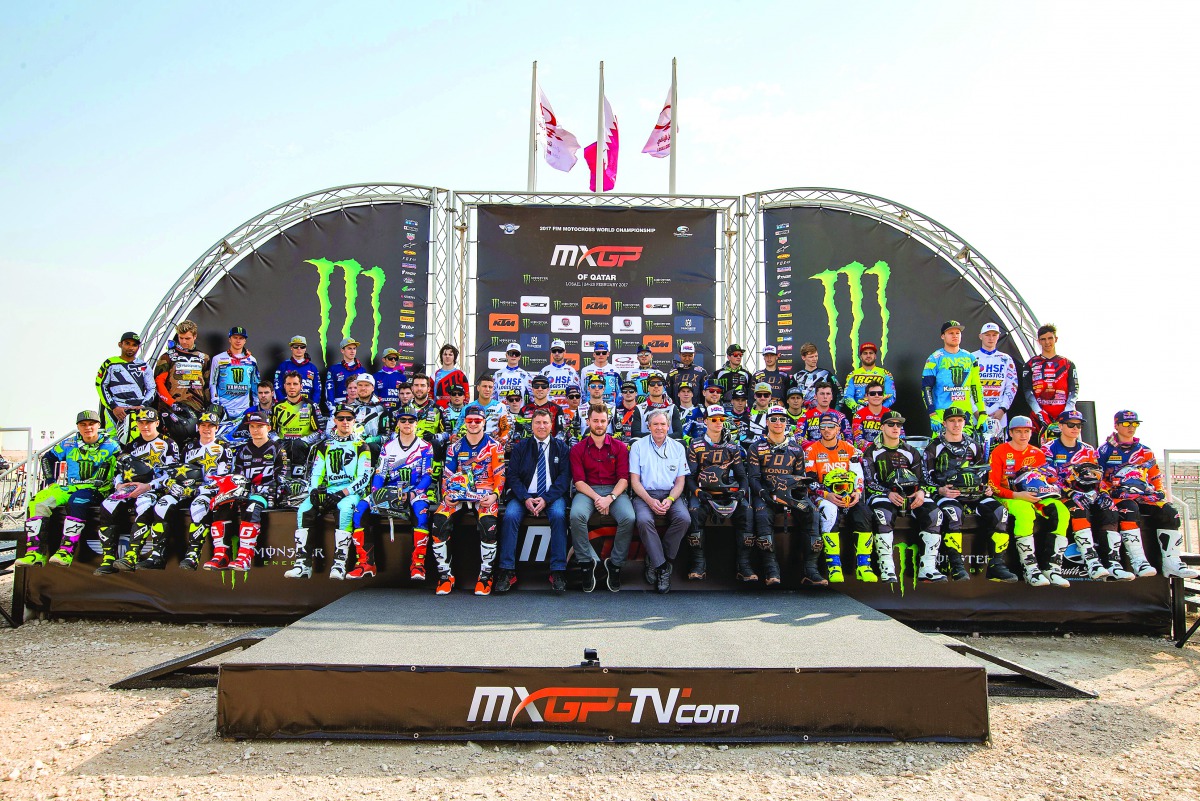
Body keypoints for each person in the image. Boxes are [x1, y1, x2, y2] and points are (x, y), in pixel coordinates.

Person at [1097, 410, 1199, 578]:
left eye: (1135, 424)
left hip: (1144, 495)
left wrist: (1159, 492)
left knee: (1170, 512)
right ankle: (1139, 562)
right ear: (1116, 425)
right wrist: (1106, 494)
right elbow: (1097, 477)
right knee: (1129, 509)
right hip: (1118, 497)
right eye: (1126, 423)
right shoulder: (1104, 450)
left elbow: (1155, 476)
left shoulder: (1145, 451)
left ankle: (1172, 563)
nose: (1131, 427)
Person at [17, 411, 120, 568]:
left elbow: (123, 465)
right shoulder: (69, 443)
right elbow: (47, 458)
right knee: (38, 501)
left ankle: (66, 552)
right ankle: (35, 553)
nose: (88, 428)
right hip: (71, 487)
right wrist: (51, 482)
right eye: (83, 425)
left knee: (77, 500)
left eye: (91, 424)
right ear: (78, 427)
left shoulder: (111, 445)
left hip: (98, 489)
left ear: (98, 425)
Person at [925, 408, 1017, 582]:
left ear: (965, 422)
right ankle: (957, 566)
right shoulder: (934, 446)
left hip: (975, 494)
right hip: (949, 495)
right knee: (953, 514)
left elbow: (982, 472)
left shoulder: (974, 444)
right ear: (944, 423)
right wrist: (939, 490)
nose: (956, 424)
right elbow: (925, 477)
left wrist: (985, 488)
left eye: (960, 420)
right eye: (952, 421)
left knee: (1000, 513)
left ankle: (996, 565)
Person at [285, 404, 372, 580]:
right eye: (341, 418)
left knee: (345, 510)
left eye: (349, 418)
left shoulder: (362, 445)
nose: (345, 422)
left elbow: (364, 477)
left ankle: (339, 564)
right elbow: (316, 472)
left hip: (351, 492)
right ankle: (302, 564)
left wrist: (343, 493)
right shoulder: (325, 445)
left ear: (354, 421)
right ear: (335, 421)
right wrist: (314, 491)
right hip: (330, 489)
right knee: (304, 509)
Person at [430, 404, 506, 595]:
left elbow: (500, 475)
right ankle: (445, 577)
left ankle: (485, 578)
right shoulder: (454, 447)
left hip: (484, 494)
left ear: (484, 422)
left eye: (477, 421)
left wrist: (495, 495)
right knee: (439, 521)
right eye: (470, 420)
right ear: (464, 422)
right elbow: (447, 475)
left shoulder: (494, 446)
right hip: (458, 493)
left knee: (488, 525)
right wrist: (447, 494)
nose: (473, 424)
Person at [495, 407, 573, 593]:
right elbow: (512, 476)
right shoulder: (521, 447)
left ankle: (558, 571)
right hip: (523, 496)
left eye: (545, 422)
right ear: (532, 425)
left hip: (552, 496)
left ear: (551, 425)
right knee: (510, 516)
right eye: (538, 422)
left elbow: (564, 478)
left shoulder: (561, 447)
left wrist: (546, 498)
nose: (542, 426)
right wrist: (526, 498)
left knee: (559, 516)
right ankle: (507, 571)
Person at [988, 415, 1072, 587]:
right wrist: (1017, 495)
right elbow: (993, 486)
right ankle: (1030, 570)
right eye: (1018, 431)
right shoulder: (999, 452)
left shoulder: (1037, 453)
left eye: (1027, 431)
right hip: (1008, 496)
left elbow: (1045, 480)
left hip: (1035, 496)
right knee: (1025, 513)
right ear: (1011, 433)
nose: (1023, 435)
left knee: (1061, 512)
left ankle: (1052, 568)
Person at [95, 409, 180, 573]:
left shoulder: (169, 444)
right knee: (107, 505)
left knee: (144, 504)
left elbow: (172, 474)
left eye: (149, 422)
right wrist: (119, 486)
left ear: (157, 423)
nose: (145, 426)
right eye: (141, 422)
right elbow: (118, 471)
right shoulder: (131, 445)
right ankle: (108, 558)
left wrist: (148, 486)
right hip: (130, 487)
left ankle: (132, 555)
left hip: (154, 488)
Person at [860, 410, 940, 583]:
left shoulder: (911, 451)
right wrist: (887, 493)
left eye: (899, 424)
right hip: (882, 494)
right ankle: (887, 567)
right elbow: (868, 482)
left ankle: (928, 567)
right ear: (882, 427)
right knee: (883, 514)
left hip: (910, 495)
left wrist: (921, 492)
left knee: (935, 513)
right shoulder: (871, 451)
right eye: (891, 424)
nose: (896, 427)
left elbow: (924, 479)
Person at [359, 408, 435, 581]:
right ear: (398, 423)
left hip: (415, 491)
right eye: (403, 420)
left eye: (411, 420)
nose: (407, 423)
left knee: (421, 511)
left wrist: (413, 494)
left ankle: (418, 564)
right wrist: (376, 493)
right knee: (361, 508)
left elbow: (427, 476)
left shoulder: (426, 447)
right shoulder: (388, 447)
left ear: (416, 423)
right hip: (391, 490)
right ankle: (365, 563)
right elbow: (380, 474)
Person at [205, 412, 286, 572]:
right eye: (252, 426)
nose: (255, 430)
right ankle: (221, 555)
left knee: (251, 507)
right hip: (243, 493)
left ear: (268, 428)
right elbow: (237, 476)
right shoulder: (243, 450)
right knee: (222, 506)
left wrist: (272, 491)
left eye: (260, 426)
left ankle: (244, 557)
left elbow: (282, 477)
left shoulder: (278, 449)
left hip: (265, 494)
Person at [569, 404, 637, 592]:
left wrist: (610, 498)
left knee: (629, 517)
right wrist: (598, 498)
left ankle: (615, 564)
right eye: (595, 421)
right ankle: (586, 564)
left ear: (608, 422)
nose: (599, 425)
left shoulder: (620, 447)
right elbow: (579, 482)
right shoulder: (578, 449)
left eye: (602, 421)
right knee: (576, 515)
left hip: (615, 491)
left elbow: (624, 479)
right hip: (587, 491)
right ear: (588, 421)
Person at [1041, 410, 1115, 580]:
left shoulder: (1088, 449)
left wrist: (1103, 493)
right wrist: (1069, 492)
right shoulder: (1048, 449)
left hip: (1087, 493)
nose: (1076, 428)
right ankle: (1092, 562)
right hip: (1061, 495)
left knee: (1110, 510)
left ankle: (1113, 563)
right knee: (1079, 509)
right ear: (1060, 426)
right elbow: (1048, 478)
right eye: (1071, 424)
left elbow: (1098, 475)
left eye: (1079, 425)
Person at [804, 411, 875, 583]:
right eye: (823, 426)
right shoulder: (811, 450)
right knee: (829, 511)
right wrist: (826, 494)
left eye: (831, 426)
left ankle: (864, 566)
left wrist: (857, 492)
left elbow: (858, 475)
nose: (827, 430)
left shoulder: (849, 448)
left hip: (848, 494)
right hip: (823, 496)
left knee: (864, 512)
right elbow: (809, 481)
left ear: (838, 429)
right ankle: (834, 566)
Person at [746, 406, 814, 585]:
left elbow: (800, 478)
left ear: (787, 423)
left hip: (790, 495)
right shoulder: (756, 447)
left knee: (812, 512)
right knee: (762, 516)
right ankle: (771, 571)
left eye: (782, 419)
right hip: (765, 495)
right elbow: (753, 478)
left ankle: (811, 570)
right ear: (767, 422)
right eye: (774, 419)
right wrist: (763, 493)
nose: (778, 423)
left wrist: (797, 496)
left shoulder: (796, 449)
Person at [686, 405, 755, 582]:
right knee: (694, 512)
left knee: (747, 511)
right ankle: (698, 565)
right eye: (714, 419)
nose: (718, 422)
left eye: (722, 419)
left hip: (728, 492)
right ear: (706, 421)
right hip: (703, 492)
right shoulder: (695, 445)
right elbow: (689, 477)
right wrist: (698, 492)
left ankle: (744, 566)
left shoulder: (732, 447)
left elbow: (742, 476)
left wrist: (741, 492)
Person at [628, 409, 691, 593]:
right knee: (643, 520)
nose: (659, 428)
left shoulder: (678, 447)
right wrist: (649, 501)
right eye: (655, 424)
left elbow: (680, 482)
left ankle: (657, 559)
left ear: (668, 426)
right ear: (648, 426)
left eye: (663, 424)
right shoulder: (638, 446)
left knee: (684, 519)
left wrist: (670, 500)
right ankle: (663, 568)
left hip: (671, 495)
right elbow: (634, 481)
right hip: (644, 494)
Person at [173, 409, 237, 571]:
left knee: (198, 506)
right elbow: (180, 472)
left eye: (211, 426)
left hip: (210, 491)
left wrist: (199, 489)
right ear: (198, 427)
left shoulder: (224, 447)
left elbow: (222, 478)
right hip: (188, 490)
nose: (206, 429)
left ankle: (193, 554)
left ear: (217, 428)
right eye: (203, 425)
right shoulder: (188, 447)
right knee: (164, 504)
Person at [922, 320, 988, 437]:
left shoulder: (970, 358)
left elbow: (976, 387)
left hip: (965, 414)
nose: (955, 336)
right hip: (942, 414)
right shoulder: (934, 358)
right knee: (941, 447)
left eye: (958, 333)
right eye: (951, 333)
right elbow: (926, 388)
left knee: (967, 447)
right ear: (943, 336)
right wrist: (932, 414)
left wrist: (982, 413)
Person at [270, 371, 326, 503]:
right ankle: (279, 488)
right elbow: (270, 431)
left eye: (295, 384)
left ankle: (299, 485)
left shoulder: (311, 405)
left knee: (297, 445)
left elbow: (320, 431)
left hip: (304, 445)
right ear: (284, 386)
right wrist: (277, 440)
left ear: (301, 386)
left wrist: (304, 440)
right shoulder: (277, 407)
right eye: (288, 384)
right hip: (283, 444)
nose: (292, 387)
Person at [153, 320, 211, 437]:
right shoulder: (167, 357)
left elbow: (207, 386)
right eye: (181, 338)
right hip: (171, 408)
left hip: (196, 408)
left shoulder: (204, 358)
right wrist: (172, 403)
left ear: (195, 336)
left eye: (187, 338)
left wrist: (208, 406)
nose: (184, 341)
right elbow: (158, 383)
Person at [95, 331, 155, 442]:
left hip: (137, 411)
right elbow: (100, 385)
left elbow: (152, 388)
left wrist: (143, 405)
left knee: (138, 442)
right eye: (127, 343)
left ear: (138, 347)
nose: (131, 347)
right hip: (115, 410)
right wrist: (114, 407)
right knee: (113, 441)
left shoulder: (144, 366)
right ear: (120, 344)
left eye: (134, 345)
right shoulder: (110, 363)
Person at [1021, 323, 1080, 433]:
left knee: (1070, 442)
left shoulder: (1067, 364)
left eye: (1050, 338)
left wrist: (1067, 411)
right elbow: (1027, 391)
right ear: (1038, 341)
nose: (1047, 342)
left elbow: (1074, 390)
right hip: (1039, 417)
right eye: (1043, 339)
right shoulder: (1030, 364)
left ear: (1056, 339)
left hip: (1064, 416)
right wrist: (1039, 412)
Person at [973, 323, 1018, 443]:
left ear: (998, 336)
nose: (991, 338)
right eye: (987, 335)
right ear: (980, 336)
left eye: (994, 335)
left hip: (999, 411)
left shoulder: (1006, 359)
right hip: (977, 411)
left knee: (999, 447)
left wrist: (1003, 409)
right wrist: (975, 410)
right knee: (976, 447)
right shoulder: (971, 358)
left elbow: (1012, 386)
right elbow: (966, 387)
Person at [209, 326, 261, 421]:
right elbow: (212, 382)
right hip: (223, 408)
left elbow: (255, 384)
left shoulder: (252, 360)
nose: (238, 341)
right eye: (235, 337)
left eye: (241, 338)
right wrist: (215, 402)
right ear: (229, 339)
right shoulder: (218, 359)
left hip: (244, 410)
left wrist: (256, 405)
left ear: (245, 341)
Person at [841, 342, 895, 412]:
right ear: (861, 357)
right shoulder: (852, 375)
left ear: (875, 356)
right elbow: (847, 396)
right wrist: (859, 409)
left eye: (871, 353)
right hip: (859, 413)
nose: (868, 355)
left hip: (880, 413)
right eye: (865, 353)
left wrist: (879, 409)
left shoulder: (886, 374)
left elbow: (891, 396)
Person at [272, 335, 321, 405]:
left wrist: (313, 404)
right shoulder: (283, 366)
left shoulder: (312, 368)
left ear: (305, 349)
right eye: (296, 346)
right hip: (287, 405)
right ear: (291, 348)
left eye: (302, 347)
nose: (299, 349)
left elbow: (317, 389)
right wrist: (284, 403)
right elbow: (277, 387)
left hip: (307, 405)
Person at [323, 337, 365, 416]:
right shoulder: (334, 369)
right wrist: (332, 407)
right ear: (342, 350)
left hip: (358, 406)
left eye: (354, 348)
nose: (352, 351)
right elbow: (329, 389)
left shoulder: (361, 370)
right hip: (339, 405)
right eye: (349, 348)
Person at [852, 381, 892, 450]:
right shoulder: (858, 415)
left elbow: (900, 437)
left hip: (887, 452)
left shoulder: (891, 414)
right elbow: (858, 440)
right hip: (865, 453)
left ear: (883, 396)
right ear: (866, 396)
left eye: (880, 393)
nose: (876, 396)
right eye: (872, 393)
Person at [540, 339, 580, 409]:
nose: (557, 353)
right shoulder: (544, 371)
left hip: (567, 409)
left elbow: (579, 392)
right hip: (550, 410)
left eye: (560, 350)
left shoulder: (572, 371)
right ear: (551, 352)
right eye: (554, 351)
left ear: (564, 352)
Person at [579, 341, 621, 405]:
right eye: (598, 353)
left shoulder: (615, 370)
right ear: (594, 354)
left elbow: (620, 392)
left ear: (608, 354)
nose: (601, 355)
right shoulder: (586, 370)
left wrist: (617, 406)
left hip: (610, 406)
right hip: (591, 406)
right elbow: (582, 391)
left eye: (604, 353)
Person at [432, 343, 470, 408]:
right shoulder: (434, 375)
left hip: (456, 410)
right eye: (445, 354)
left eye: (450, 354)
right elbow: (430, 394)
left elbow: (466, 393)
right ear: (441, 356)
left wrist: (462, 408)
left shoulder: (460, 374)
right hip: (437, 410)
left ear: (454, 357)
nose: (447, 356)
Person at [374, 347, 409, 413]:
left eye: (396, 358)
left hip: (398, 411)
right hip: (380, 411)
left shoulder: (402, 377)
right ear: (383, 359)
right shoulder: (376, 376)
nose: (393, 360)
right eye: (390, 358)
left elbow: (407, 396)